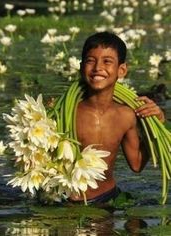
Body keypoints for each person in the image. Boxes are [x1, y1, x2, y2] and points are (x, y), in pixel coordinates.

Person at [70, 31, 165, 203]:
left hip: (108, 198)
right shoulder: (66, 113)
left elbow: (136, 165)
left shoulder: (126, 115)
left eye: (107, 61)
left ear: (121, 70)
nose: (98, 67)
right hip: (68, 201)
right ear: (81, 66)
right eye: (91, 61)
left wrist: (155, 125)